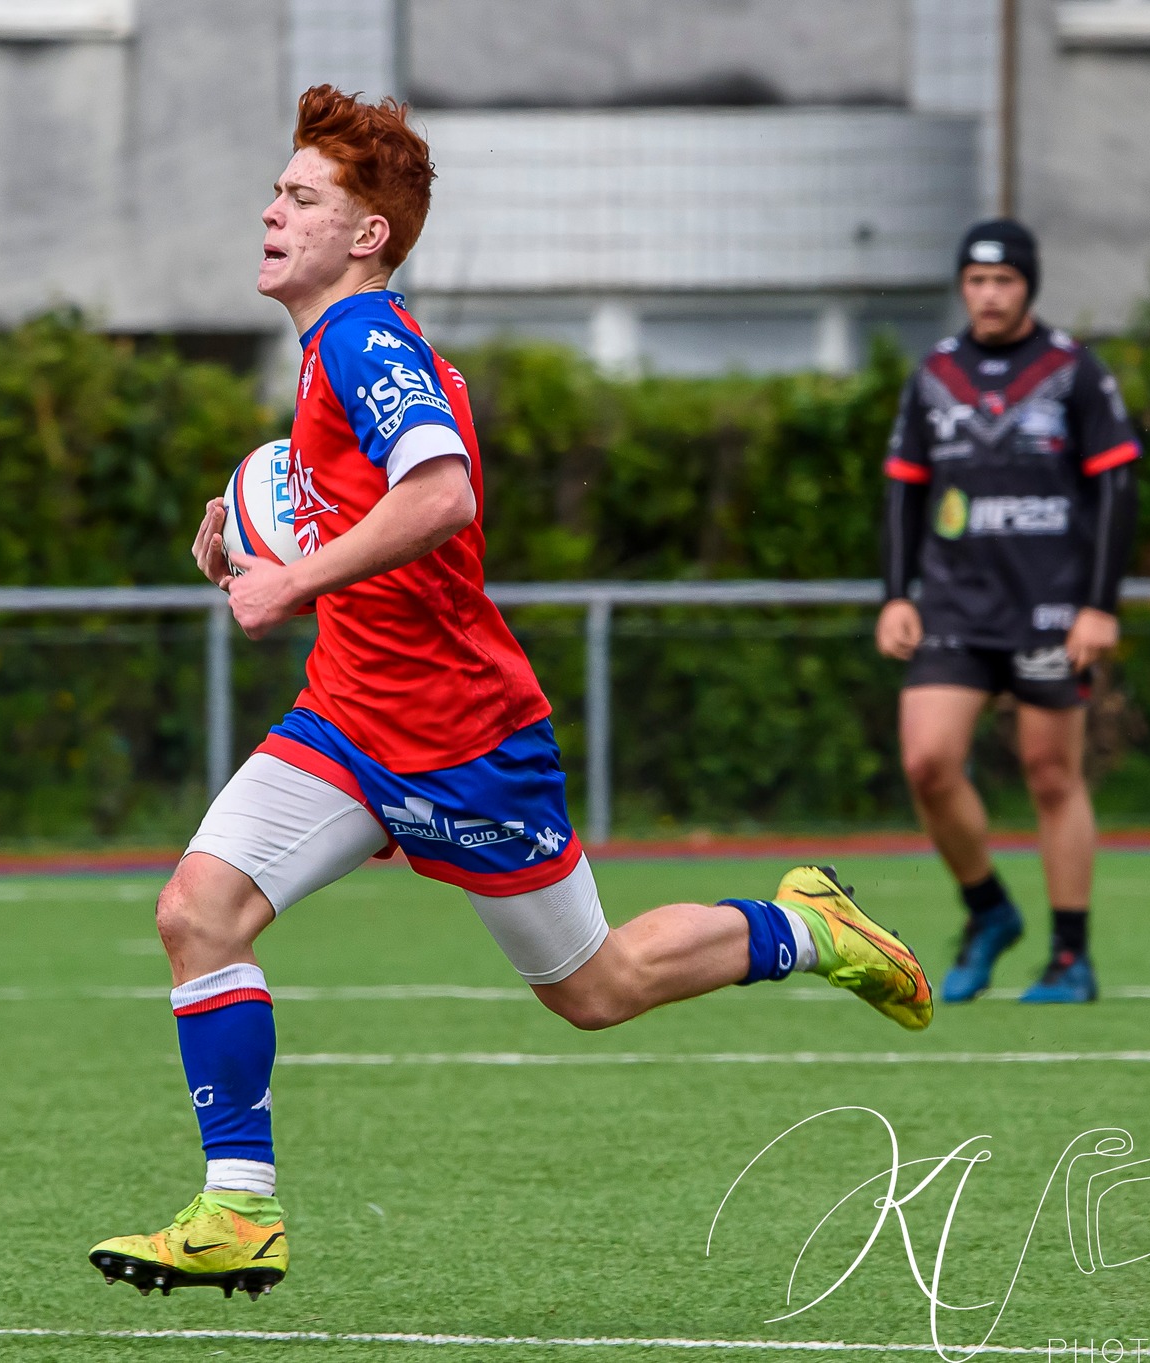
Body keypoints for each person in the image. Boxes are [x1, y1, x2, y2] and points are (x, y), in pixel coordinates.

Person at [86, 86, 934, 1301]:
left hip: (462, 741)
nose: (270, 211)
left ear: (365, 234)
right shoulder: (333, 352)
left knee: (594, 988)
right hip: (345, 722)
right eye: (276, 190)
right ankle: (238, 1211)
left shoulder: (365, 340)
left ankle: (806, 927)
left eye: (300, 197)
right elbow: (367, 520)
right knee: (196, 912)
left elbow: (441, 496)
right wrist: (248, 546)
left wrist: (289, 583)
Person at [876, 218, 1140, 1007]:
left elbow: (1117, 485)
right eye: (976, 280)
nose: (989, 295)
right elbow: (903, 489)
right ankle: (989, 909)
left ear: (1028, 286)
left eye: (1004, 281)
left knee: (1051, 774)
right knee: (927, 762)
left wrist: (1099, 605)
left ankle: (1070, 956)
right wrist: (896, 593)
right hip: (954, 604)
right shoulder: (935, 374)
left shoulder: (1072, 370)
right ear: (962, 286)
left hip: (1049, 608)